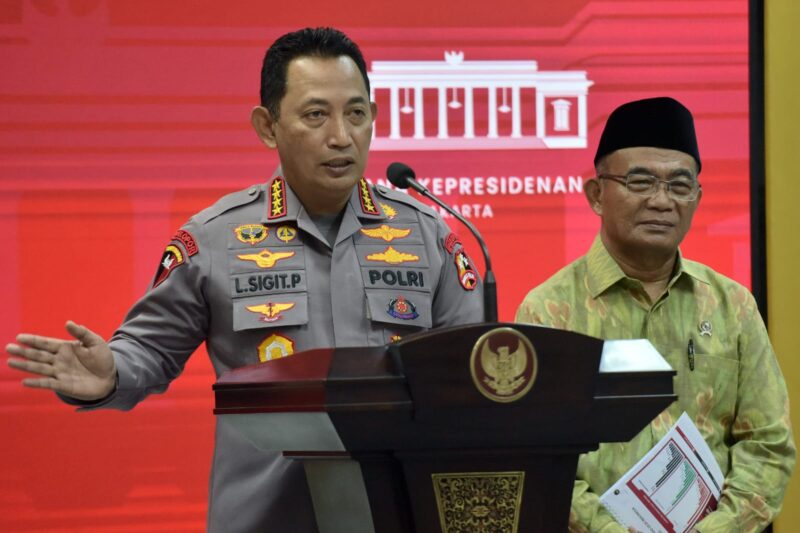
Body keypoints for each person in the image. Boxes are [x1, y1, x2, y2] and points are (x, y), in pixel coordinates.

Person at [6, 27, 483, 532]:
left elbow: (471, 365)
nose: (341, 136)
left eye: (356, 113)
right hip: (268, 516)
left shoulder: (426, 232)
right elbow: (148, 351)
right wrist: (111, 375)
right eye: (316, 114)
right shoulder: (216, 238)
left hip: (401, 511)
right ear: (267, 126)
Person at [516, 97, 795, 533]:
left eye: (679, 185)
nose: (662, 201)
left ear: (697, 197)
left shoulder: (732, 305)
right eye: (640, 181)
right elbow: (534, 454)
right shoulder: (551, 310)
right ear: (596, 194)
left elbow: (768, 446)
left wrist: (717, 529)